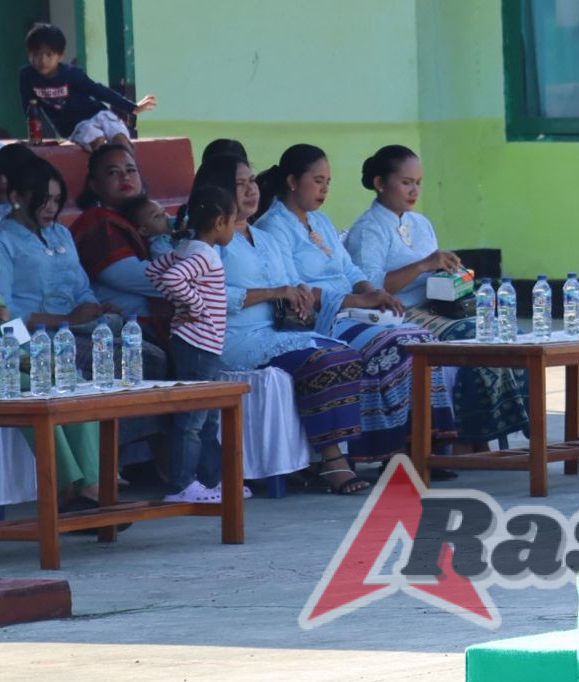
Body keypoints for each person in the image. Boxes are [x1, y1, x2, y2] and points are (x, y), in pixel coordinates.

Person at [255, 144, 454, 462]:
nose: (324, 189)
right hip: (324, 319)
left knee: (422, 341)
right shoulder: (273, 227)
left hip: (355, 310)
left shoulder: (319, 222)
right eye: (318, 180)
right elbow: (297, 289)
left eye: (328, 182)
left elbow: (350, 269)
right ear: (293, 181)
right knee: (393, 346)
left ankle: (426, 445)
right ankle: (388, 449)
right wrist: (360, 298)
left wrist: (375, 293)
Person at [202, 153, 374, 495]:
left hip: (277, 332)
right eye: (240, 184)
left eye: (252, 181)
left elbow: (289, 283)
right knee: (325, 361)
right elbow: (214, 295)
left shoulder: (263, 237)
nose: (251, 190)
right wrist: (275, 291)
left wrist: (299, 295)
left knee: (347, 354)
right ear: (221, 190)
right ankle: (332, 462)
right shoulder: (209, 241)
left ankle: (318, 459)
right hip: (237, 339)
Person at [344, 145, 529, 446]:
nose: (414, 190)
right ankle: (470, 437)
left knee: (508, 332)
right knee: (476, 336)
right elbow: (370, 287)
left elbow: (433, 272)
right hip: (404, 312)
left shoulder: (420, 222)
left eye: (418, 182)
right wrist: (424, 264)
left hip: (439, 306)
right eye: (406, 182)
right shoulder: (369, 229)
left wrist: (452, 273)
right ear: (380, 183)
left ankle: (511, 425)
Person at [0, 179, 104, 519]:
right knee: (27, 391)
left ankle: (92, 487)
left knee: (69, 382)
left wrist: (13, 339)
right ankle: (66, 491)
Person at [146, 184, 234, 505]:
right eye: (234, 222)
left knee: (206, 416)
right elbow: (171, 279)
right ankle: (182, 484)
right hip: (199, 344)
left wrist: (182, 304)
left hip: (199, 343)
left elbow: (156, 271)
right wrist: (195, 306)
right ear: (221, 221)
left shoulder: (187, 248)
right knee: (194, 418)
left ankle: (211, 480)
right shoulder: (204, 254)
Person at [0, 156, 114, 332]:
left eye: (57, 200)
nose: (51, 208)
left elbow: (82, 290)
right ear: (16, 197)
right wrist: (66, 320)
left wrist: (97, 310)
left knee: (148, 352)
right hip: (32, 342)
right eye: (43, 199)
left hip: (77, 330)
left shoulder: (61, 233)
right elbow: (1, 314)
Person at [70, 144, 175, 350]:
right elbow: (137, 277)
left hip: (153, 325)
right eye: (112, 172)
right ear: (94, 184)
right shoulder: (96, 222)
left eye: (131, 170)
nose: (125, 178)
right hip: (125, 331)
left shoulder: (148, 218)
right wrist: (197, 280)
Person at [18, 22, 156, 151]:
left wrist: (132, 107)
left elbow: (98, 90)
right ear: (29, 55)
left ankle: (134, 174)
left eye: (49, 55)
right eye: (36, 55)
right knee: (97, 140)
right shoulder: (27, 76)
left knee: (121, 139)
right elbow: (30, 109)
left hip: (97, 113)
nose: (43, 60)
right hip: (74, 127)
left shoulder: (71, 73)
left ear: (60, 56)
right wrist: (36, 139)